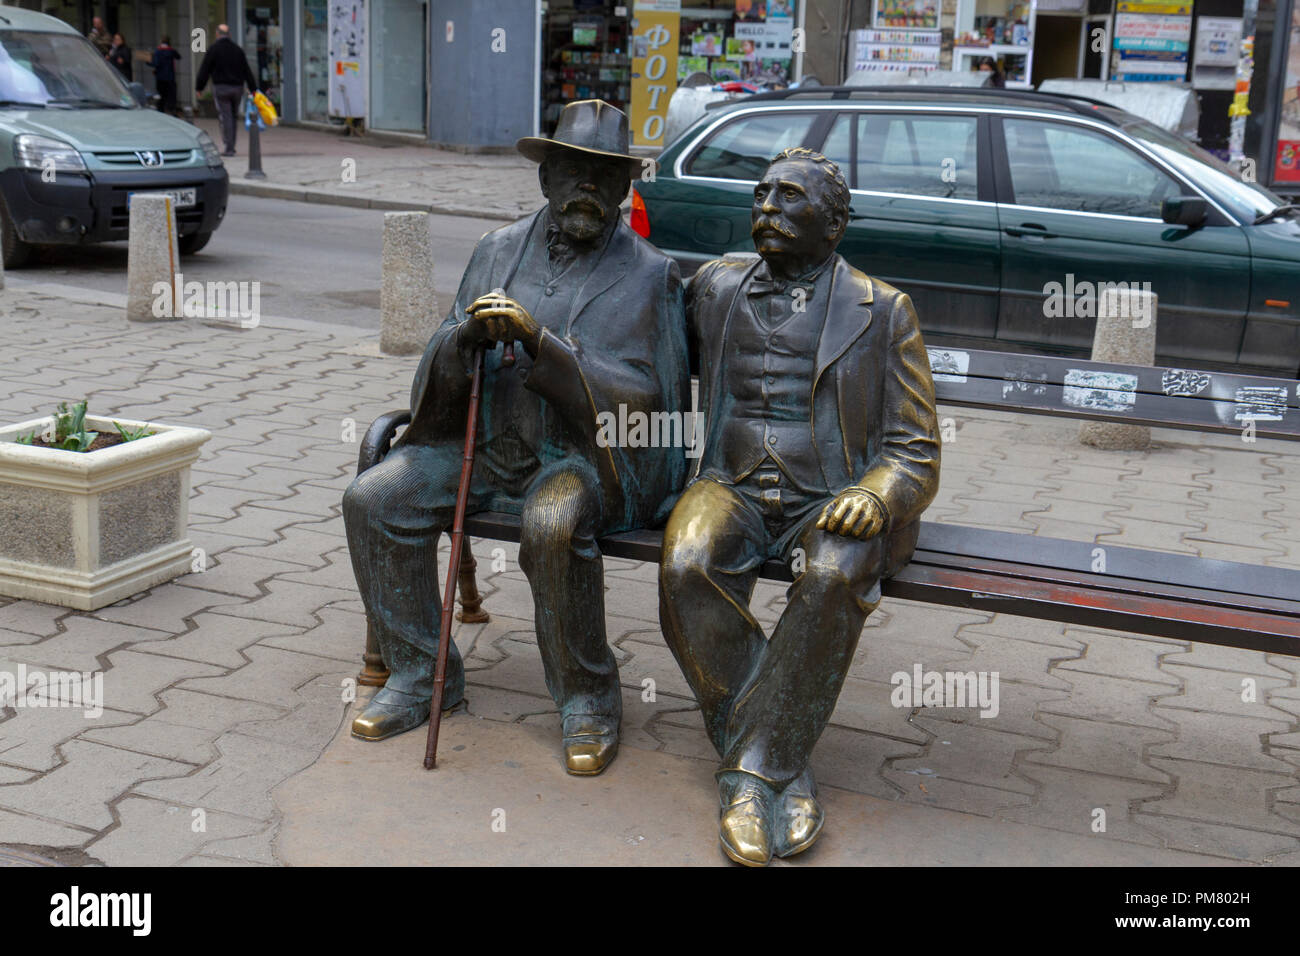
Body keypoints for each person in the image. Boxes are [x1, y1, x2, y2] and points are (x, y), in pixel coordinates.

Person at [342, 100, 690, 777]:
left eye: (603, 176)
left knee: (552, 521)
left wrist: (543, 344)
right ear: (545, 179)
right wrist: (464, 337)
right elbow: (434, 364)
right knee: (374, 498)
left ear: (624, 189)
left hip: (581, 460)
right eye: (572, 172)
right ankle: (422, 675)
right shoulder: (495, 250)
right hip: (473, 441)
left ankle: (588, 698)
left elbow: (656, 405)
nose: (587, 188)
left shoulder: (652, 275)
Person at [658, 148, 940, 866]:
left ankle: (752, 777)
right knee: (688, 562)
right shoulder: (715, 288)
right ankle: (782, 751)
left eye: (789, 197)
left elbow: (915, 450)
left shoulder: (885, 311)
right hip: (732, 482)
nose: (766, 209)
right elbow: (638, 338)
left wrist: (875, 497)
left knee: (831, 576)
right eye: (759, 196)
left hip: (833, 494)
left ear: (835, 222)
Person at [195, 24, 258, 156]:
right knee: (233, 116)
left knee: (225, 116)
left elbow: (205, 69)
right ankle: (231, 144)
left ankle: (229, 147)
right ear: (229, 34)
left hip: (221, 88)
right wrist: (253, 88)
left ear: (217, 34)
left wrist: (199, 87)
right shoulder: (237, 50)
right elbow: (246, 70)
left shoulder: (214, 49)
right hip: (237, 88)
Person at [150, 36, 181, 114]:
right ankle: (171, 110)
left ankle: (161, 110)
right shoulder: (171, 51)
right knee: (171, 95)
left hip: (160, 77)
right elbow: (178, 56)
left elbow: (155, 63)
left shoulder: (157, 51)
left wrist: (149, 62)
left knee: (161, 95)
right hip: (170, 77)